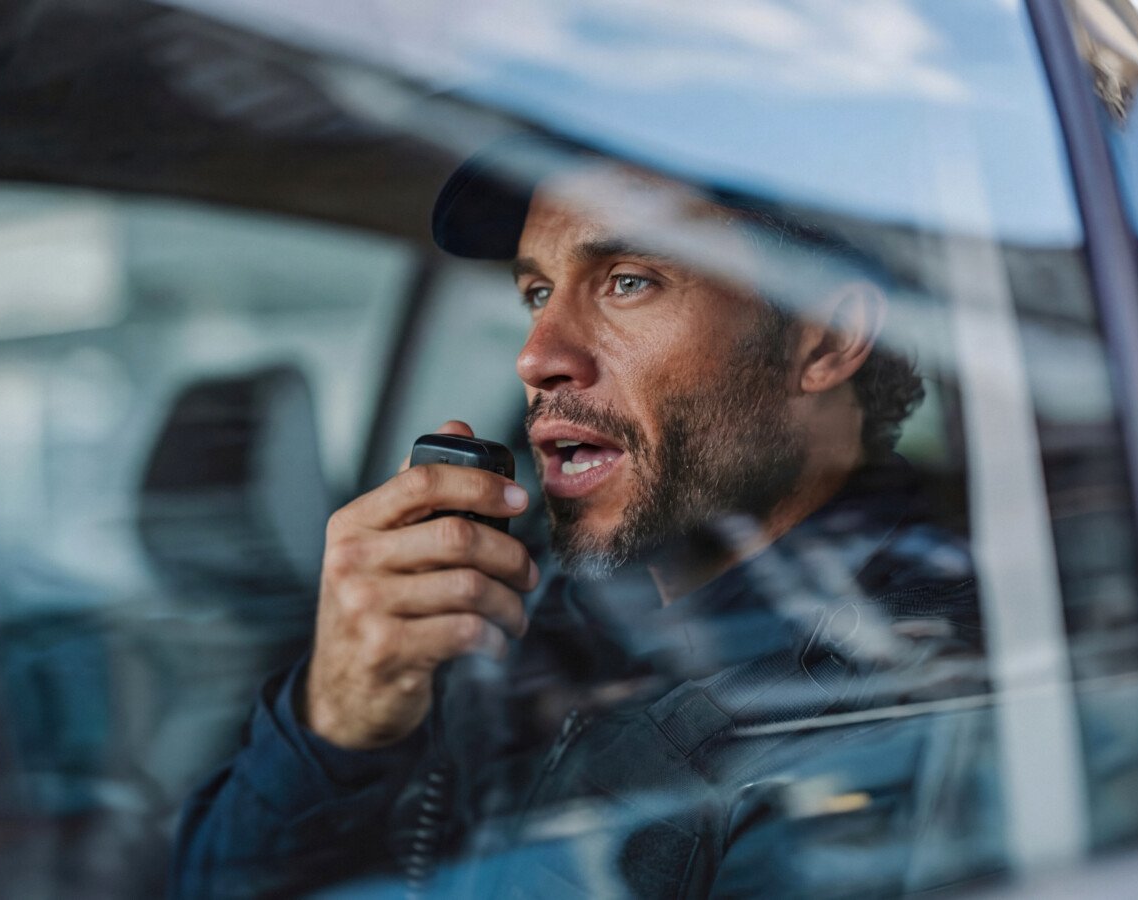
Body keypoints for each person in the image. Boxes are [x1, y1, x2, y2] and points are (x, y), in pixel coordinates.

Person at [172, 138, 993, 898]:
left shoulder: (902, 700)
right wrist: (341, 719)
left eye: (628, 280)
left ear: (825, 339)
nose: (536, 354)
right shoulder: (514, 597)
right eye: (536, 291)